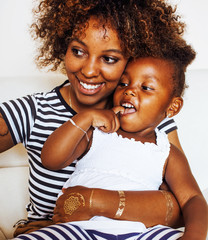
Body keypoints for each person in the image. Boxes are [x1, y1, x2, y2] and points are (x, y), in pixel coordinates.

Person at [0, 0, 192, 237]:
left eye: (109, 58)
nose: (89, 71)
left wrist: (97, 203)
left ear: (132, 58)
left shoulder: (146, 118)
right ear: (63, 47)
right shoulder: (34, 110)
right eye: (78, 51)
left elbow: (181, 207)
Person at [22, 45, 207, 239]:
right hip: (77, 229)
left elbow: (193, 199)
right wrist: (84, 118)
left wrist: (194, 235)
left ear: (172, 107)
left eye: (146, 88)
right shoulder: (98, 132)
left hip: (140, 232)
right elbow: (51, 159)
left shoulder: (167, 152)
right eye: (124, 83)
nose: (130, 92)